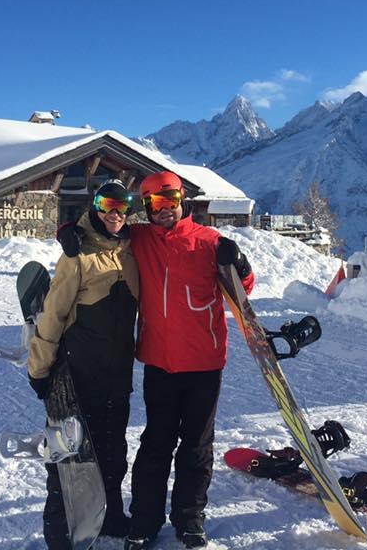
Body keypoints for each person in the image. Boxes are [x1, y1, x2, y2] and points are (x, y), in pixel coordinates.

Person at [64, 171, 255, 550]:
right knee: (156, 444)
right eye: (155, 204)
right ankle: (145, 521)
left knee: (197, 446)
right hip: (160, 362)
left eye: (170, 201)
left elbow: (243, 289)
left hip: (203, 362)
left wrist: (241, 263)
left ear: (182, 200)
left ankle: (190, 519)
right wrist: (70, 230)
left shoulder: (209, 242)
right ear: (147, 209)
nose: (164, 210)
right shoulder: (141, 239)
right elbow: (103, 227)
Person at [28, 180, 140, 548]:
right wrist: (40, 368)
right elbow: (53, 313)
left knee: (112, 451)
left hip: (117, 373)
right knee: (68, 458)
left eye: (121, 208)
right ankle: (60, 533)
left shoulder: (132, 249)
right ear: (95, 206)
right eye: (107, 205)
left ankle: (108, 517)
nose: (114, 215)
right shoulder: (76, 254)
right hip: (78, 376)